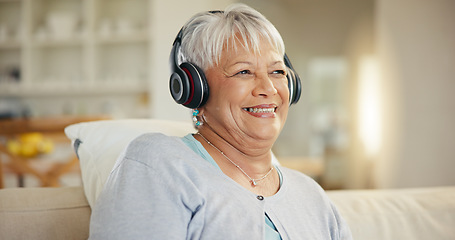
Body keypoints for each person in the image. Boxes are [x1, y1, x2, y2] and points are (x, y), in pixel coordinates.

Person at [89, 4, 352, 240]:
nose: (268, 88)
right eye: (244, 71)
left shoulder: (312, 195)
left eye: (277, 71)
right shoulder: (159, 163)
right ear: (195, 89)